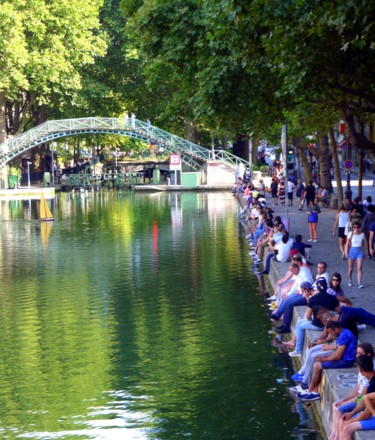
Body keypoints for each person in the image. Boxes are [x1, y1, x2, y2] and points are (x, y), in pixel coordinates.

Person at [297, 321, 357, 401]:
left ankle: (310, 390)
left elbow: (338, 356)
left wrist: (325, 359)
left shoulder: (344, 336)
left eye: (331, 332)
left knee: (317, 366)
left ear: (335, 329)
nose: (331, 335)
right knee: (318, 362)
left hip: (346, 361)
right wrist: (325, 357)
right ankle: (313, 391)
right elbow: (336, 351)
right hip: (344, 358)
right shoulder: (343, 332)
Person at [284, 280, 340, 357]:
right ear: (326, 287)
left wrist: (310, 319)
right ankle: (293, 342)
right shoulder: (332, 298)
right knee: (300, 321)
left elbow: (307, 315)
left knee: (300, 325)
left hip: (319, 325)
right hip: (330, 323)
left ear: (317, 288)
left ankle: (298, 350)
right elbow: (339, 311)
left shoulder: (314, 298)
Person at [329, 352, 375, 440]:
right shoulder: (372, 381)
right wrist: (352, 413)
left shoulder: (372, 386)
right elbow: (364, 402)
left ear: (360, 369)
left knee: (347, 428)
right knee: (343, 422)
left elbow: (367, 414)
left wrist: (352, 421)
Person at [345, 221, 365, 288]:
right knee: (351, 268)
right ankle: (350, 280)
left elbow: (363, 244)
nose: (356, 228)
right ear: (353, 227)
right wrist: (346, 252)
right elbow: (347, 243)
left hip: (359, 251)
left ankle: (359, 282)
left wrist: (364, 253)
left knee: (359, 268)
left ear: (359, 227)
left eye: (357, 227)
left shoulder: (362, 234)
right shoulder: (350, 234)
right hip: (352, 250)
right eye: (354, 227)